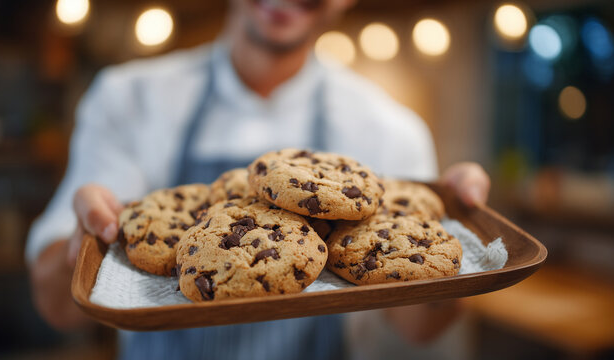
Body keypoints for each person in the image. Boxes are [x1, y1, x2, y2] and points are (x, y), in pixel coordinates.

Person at [28, 0, 491, 359]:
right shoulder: (128, 97)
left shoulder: (391, 128)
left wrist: (451, 243)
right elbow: (57, 308)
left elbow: (419, 327)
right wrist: (87, 245)